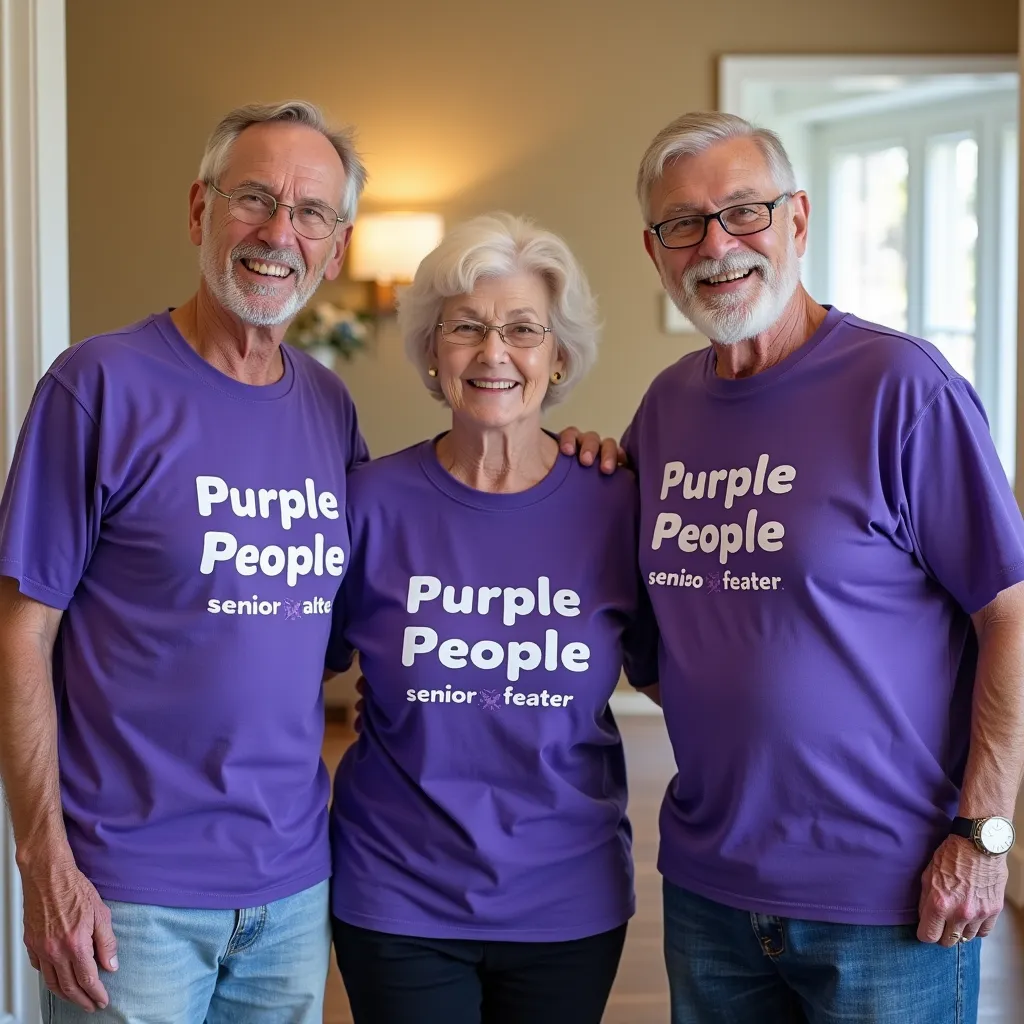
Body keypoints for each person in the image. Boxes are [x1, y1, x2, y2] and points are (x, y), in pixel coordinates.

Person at [562, 111, 1024, 1023]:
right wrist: (571, 468)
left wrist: (985, 833)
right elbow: (661, 632)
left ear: (798, 221)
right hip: (709, 888)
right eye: (683, 224)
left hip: (890, 899)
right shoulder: (666, 409)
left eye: (744, 211)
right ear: (654, 252)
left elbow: (1008, 612)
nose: (717, 244)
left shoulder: (902, 388)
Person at [0, 100, 368, 1022]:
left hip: (290, 887)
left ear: (337, 243)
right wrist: (43, 861)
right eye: (254, 198)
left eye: (311, 212)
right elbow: (19, 634)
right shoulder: (98, 386)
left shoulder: (330, 407)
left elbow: (344, 628)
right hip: (128, 893)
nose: (279, 231)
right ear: (200, 212)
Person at [324, 211, 659, 1024]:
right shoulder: (367, 503)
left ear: (558, 354)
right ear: (433, 354)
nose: (494, 352)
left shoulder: (620, 503)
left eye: (522, 330)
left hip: (567, 894)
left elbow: (682, 672)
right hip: (397, 890)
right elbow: (289, 670)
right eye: (466, 328)